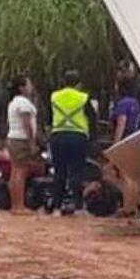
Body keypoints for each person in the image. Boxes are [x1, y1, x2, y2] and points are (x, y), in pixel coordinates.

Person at [49, 70, 97, 216]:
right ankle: (78, 207)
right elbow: (92, 118)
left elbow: (48, 117)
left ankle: (56, 207)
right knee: (76, 171)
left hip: (58, 135)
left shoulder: (54, 96)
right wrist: (93, 138)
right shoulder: (83, 97)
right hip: (77, 136)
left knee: (59, 172)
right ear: (79, 84)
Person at [5, 75, 39, 215]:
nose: (31, 87)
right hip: (21, 139)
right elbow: (26, 123)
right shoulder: (23, 103)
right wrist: (32, 142)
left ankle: (15, 204)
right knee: (20, 171)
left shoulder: (13, 102)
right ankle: (19, 205)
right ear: (21, 87)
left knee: (15, 171)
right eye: (28, 84)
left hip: (13, 138)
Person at [109, 78, 140, 217]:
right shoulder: (136, 103)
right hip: (135, 138)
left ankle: (127, 207)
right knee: (133, 175)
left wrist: (116, 143)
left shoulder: (122, 104)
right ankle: (134, 206)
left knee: (125, 175)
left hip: (125, 138)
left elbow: (121, 123)